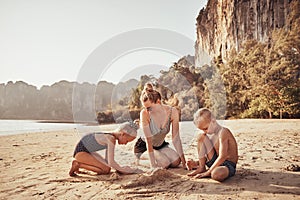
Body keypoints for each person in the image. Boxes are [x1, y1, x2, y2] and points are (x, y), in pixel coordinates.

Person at [134, 85, 187, 169]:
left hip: (160, 146)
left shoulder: (173, 112)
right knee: (164, 163)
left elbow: (176, 139)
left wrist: (184, 162)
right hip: (144, 147)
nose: (147, 110)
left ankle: (160, 158)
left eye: (149, 108)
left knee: (176, 161)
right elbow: (148, 140)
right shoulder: (144, 113)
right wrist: (153, 166)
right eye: (145, 108)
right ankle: (138, 160)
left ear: (158, 102)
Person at [69, 121, 143, 176]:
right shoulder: (110, 139)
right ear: (122, 134)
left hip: (87, 151)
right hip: (80, 152)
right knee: (105, 170)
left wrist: (120, 168)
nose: (126, 143)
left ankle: (80, 164)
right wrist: (124, 170)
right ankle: (78, 164)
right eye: (127, 140)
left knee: (106, 168)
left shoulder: (111, 136)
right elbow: (111, 162)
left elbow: (108, 161)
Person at [187, 108, 238, 182]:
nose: (205, 131)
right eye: (202, 129)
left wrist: (208, 172)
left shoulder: (223, 132)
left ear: (213, 121)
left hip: (227, 164)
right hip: (215, 161)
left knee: (216, 174)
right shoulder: (210, 133)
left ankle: (211, 170)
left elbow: (222, 156)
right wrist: (198, 162)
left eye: (206, 128)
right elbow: (211, 152)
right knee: (201, 137)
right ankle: (201, 167)